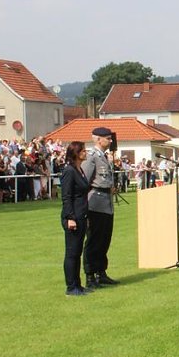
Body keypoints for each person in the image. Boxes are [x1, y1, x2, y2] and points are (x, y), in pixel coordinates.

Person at [82, 127, 119, 288]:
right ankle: (90, 275)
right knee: (94, 240)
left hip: (106, 202)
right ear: (98, 139)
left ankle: (101, 272)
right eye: (108, 138)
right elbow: (85, 182)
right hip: (95, 203)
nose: (110, 141)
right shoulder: (91, 157)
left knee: (104, 239)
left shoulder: (104, 157)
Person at [60, 141, 91, 296]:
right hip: (73, 217)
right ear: (76, 153)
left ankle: (78, 284)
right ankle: (71, 287)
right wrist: (70, 217)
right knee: (72, 253)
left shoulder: (80, 170)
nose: (86, 153)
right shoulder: (69, 171)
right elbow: (66, 197)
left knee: (77, 252)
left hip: (81, 214)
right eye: (83, 151)